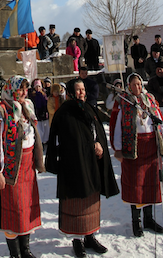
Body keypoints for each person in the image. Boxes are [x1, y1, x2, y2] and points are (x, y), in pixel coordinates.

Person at [46, 78, 119, 258]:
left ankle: (90, 236)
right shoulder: (65, 112)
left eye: (83, 89)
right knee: (76, 202)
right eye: (78, 90)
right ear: (70, 92)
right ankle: (77, 240)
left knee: (91, 200)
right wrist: (91, 145)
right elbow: (68, 140)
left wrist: (98, 143)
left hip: (91, 162)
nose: (82, 93)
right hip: (74, 165)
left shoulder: (88, 108)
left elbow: (95, 132)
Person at [0, 76, 45, 258]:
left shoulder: (27, 108)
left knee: (26, 207)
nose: (24, 93)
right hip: (11, 167)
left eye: (26, 89)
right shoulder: (0, 111)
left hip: (27, 166)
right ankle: (15, 252)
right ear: (11, 90)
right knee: (13, 210)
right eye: (20, 89)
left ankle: (25, 248)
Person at [109, 73, 163, 237]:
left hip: (151, 146)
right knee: (135, 185)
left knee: (150, 182)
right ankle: (136, 221)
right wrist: (118, 148)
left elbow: (159, 121)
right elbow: (117, 126)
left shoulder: (149, 100)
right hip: (133, 147)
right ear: (129, 86)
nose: (137, 87)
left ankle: (149, 218)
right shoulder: (124, 101)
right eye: (134, 85)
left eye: (139, 84)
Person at [29, 79, 50, 145]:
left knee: (45, 128)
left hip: (43, 113)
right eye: (36, 86)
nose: (38, 88)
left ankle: (46, 140)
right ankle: (40, 141)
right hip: (37, 113)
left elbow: (46, 103)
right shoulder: (33, 95)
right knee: (39, 129)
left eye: (39, 86)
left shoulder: (43, 94)